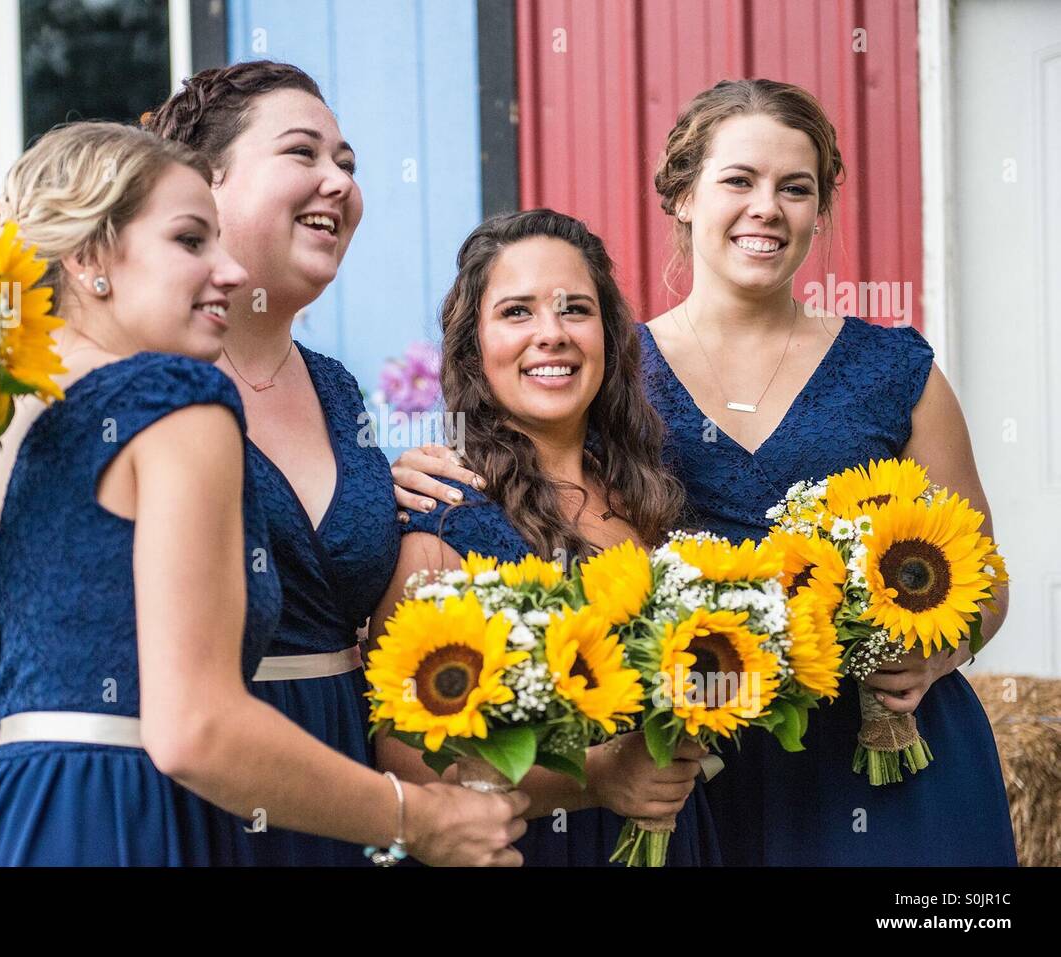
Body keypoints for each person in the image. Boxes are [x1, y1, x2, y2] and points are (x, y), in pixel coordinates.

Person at [0, 120, 528, 866]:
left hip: (3, 828)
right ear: (93, 257)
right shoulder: (175, 400)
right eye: (192, 241)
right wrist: (414, 817)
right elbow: (194, 728)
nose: (227, 270)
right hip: (135, 825)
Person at [391, 79, 1016, 866]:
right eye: (739, 181)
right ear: (683, 195)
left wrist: (939, 650)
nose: (768, 208)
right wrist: (429, 462)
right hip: (702, 768)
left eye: (797, 188)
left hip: (892, 751)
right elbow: (533, 461)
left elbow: (986, 576)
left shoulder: (896, 368)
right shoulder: (614, 370)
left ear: (820, 210)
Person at [373, 209, 720, 866]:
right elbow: (410, 769)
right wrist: (597, 780)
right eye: (517, 313)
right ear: (474, 346)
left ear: (609, 337)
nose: (551, 335)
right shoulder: (444, 521)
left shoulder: (651, 499)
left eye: (574, 310)